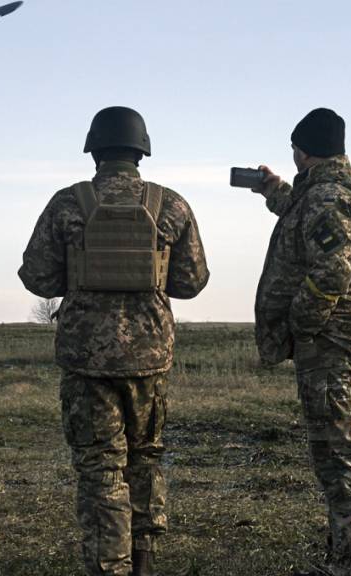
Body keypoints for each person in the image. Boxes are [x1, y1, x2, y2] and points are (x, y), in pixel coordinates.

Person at [18, 106, 209, 576]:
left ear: (94, 151)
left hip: (87, 363)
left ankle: (111, 568)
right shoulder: (171, 205)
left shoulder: (68, 203)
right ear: (141, 151)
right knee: (145, 459)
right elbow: (191, 282)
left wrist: (80, 271)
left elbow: (38, 277)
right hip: (149, 360)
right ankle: (143, 562)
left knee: (101, 470)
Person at [251, 108, 351, 576]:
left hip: (334, 339)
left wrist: (300, 323)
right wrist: (272, 190)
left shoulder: (327, 197)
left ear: (302, 151)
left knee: (337, 452)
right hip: (349, 333)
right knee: (335, 447)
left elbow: (332, 271)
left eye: (294, 149)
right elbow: (304, 216)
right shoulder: (348, 190)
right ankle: (345, 550)